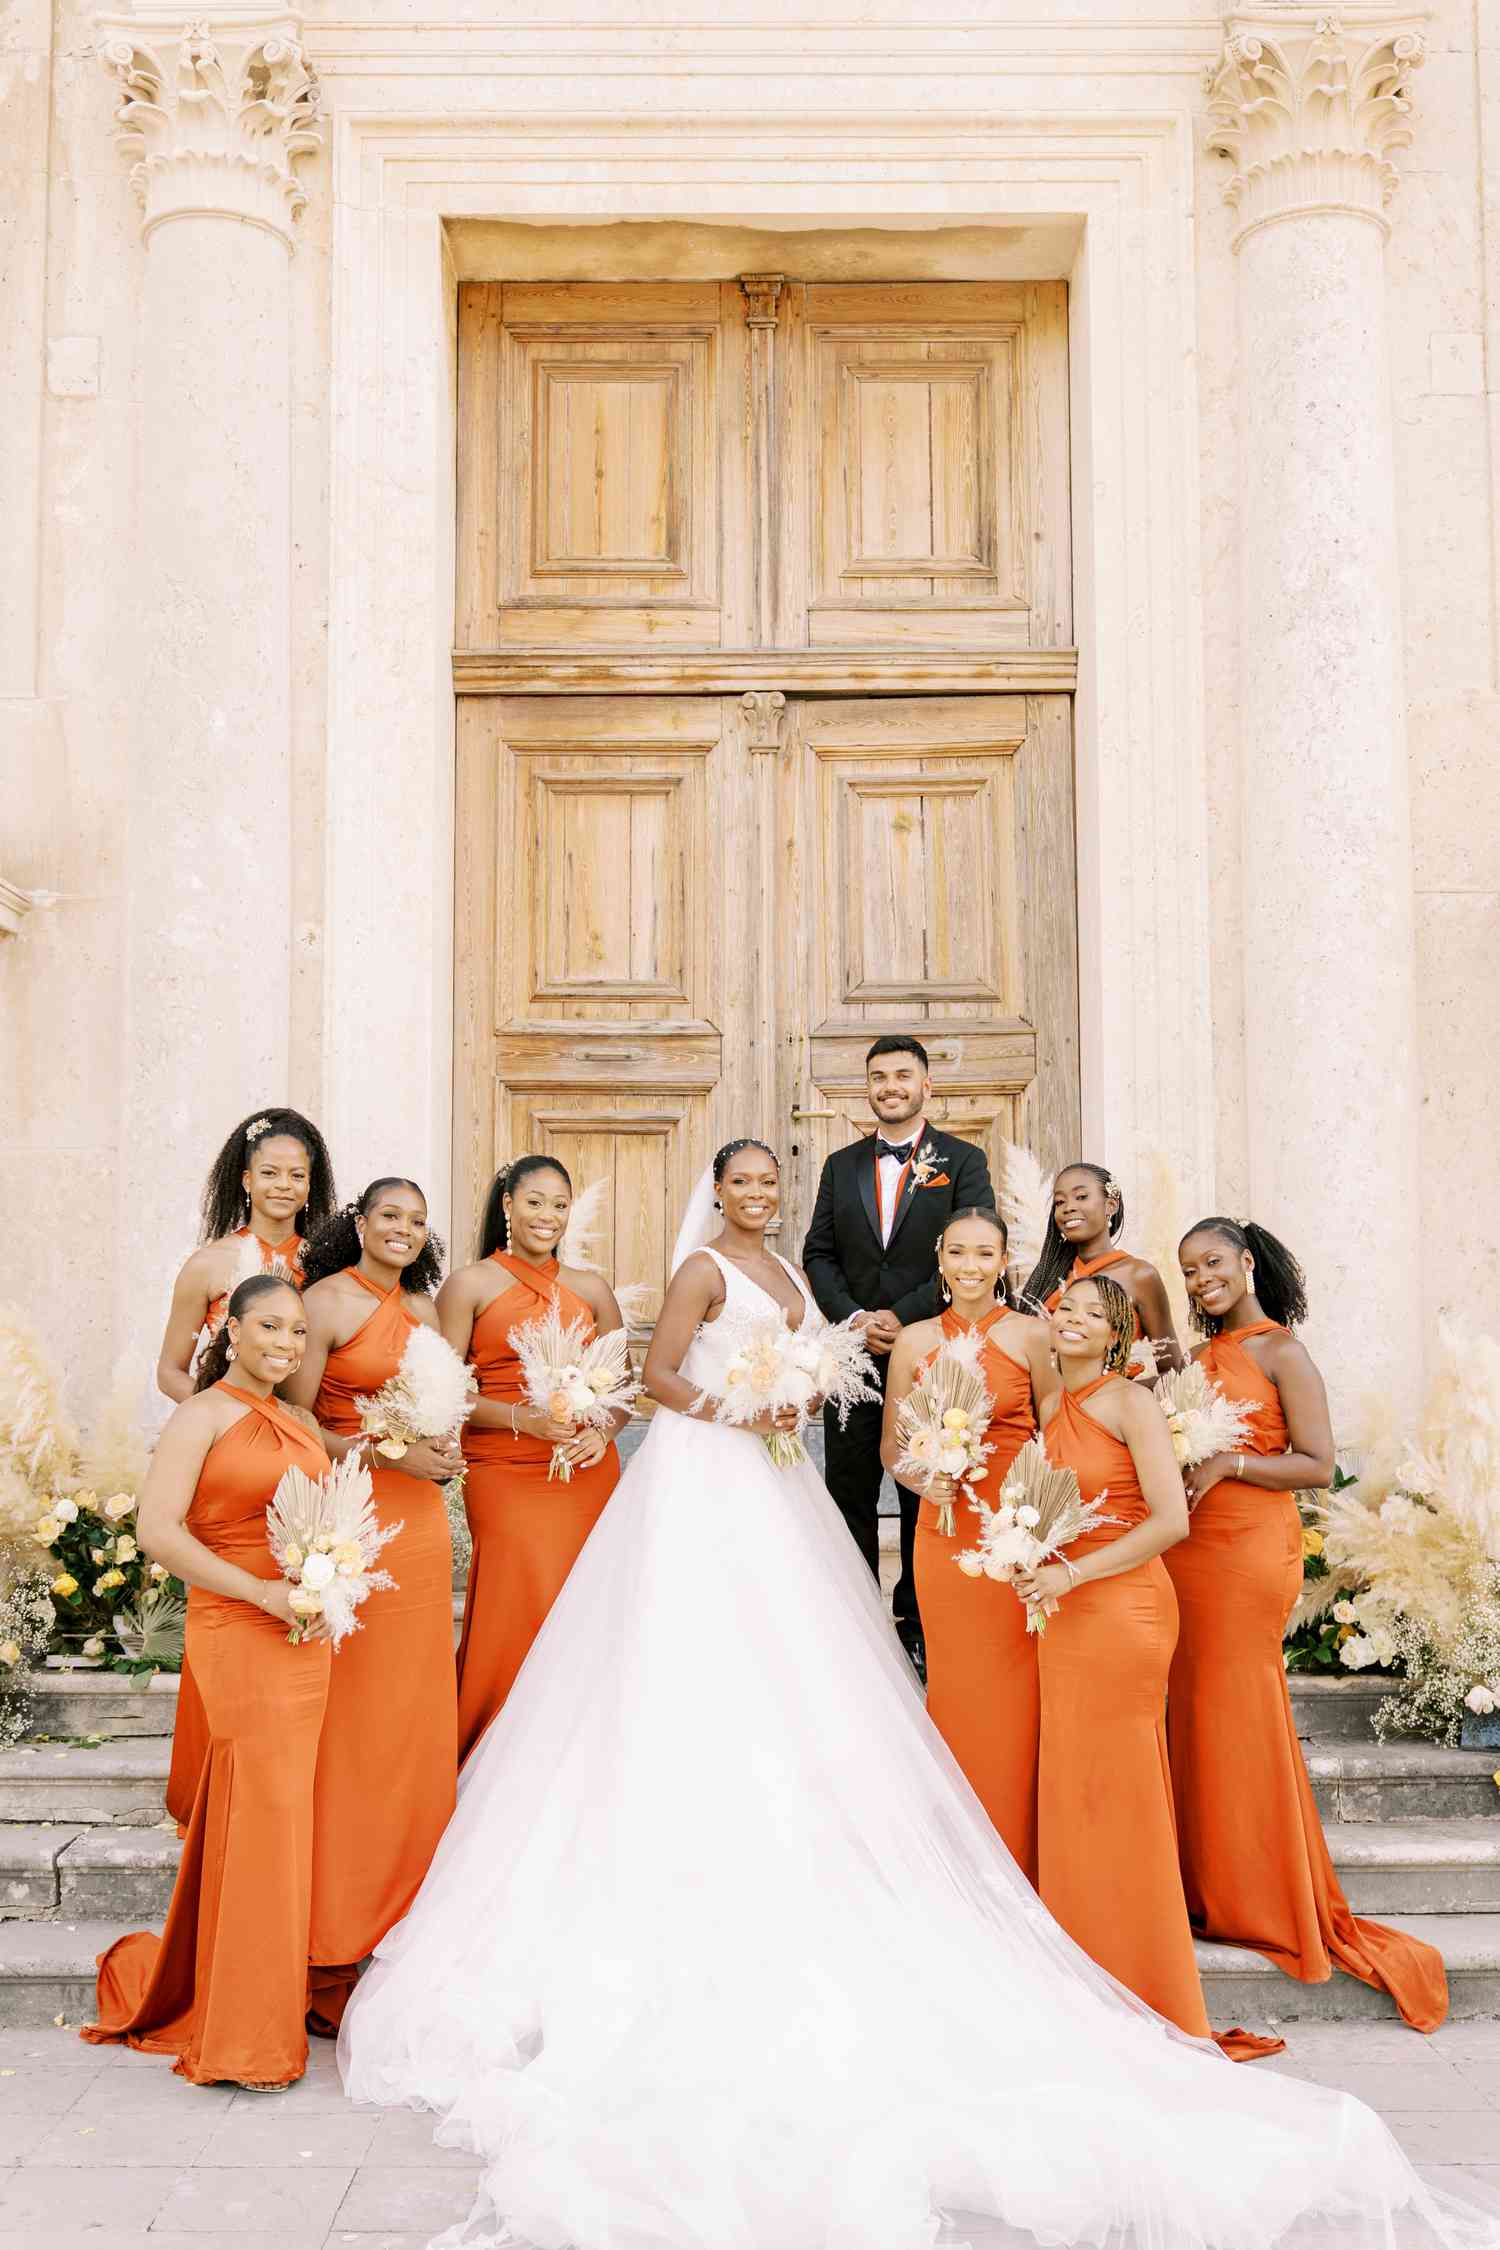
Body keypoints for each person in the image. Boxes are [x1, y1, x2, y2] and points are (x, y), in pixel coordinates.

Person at [337, 1156, 1496, 2250]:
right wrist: (747, 1410)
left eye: (768, 1181)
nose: (756, 1192)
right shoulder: (703, 1270)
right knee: (687, 1646)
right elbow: (664, 1375)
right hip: (708, 1476)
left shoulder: (806, 1278)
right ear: (718, 1192)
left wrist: (800, 1396)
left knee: (810, 1654)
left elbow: (1059, 1428)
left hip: (804, 1484)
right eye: (741, 1181)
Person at [1167, 1216, 1448, 2031]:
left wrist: (1230, 1462)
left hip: (1250, 1552)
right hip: (1189, 1550)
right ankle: (1203, 1884)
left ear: (1246, 1262)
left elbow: (1318, 1464)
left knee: (1238, 1708)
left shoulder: (1281, 1351)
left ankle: (1259, 1893)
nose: (1199, 1279)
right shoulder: (1194, 1358)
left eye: (1212, 1262)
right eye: (1187, 1270)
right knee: (1191, 1713)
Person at [1015, 1273, 1275, 2059]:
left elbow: (1169, 1521)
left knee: (1119, 1789)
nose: (1072, 1319)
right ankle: (1083, 1967)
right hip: (1061, 1615)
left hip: (1122, 1611)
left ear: (1119, 1335)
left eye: (1093, 1313)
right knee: (1076, 1788)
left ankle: (1145, 1980)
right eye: (1064, 1308)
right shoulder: (1053, 1402)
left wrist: (1071, 1574)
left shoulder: (1132, 1403)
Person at [83, 1276, 333, 2089]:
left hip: (301, 1635)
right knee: (263, 1811)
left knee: (282, 1818)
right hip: (236, 1625)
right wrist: (259, 1590)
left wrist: (329, 1589)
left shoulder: (299, 1420)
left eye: (297, 1332)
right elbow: (158, 1531)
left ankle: (256, 2006)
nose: (286, 1345)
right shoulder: (201, 1415)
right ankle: (245, 2038)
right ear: (231, 1325)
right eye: (270, 1326)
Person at [284, 1179, 462, 2030]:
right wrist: (384, 1455)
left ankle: (407, 1933)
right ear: (358, 1223)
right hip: (354, 1518)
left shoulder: (426, 1313)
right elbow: (291, 1416)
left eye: (417, 1221)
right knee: (358, 1726)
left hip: (422, 1525)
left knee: (415, 1721)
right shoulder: (321, 1302)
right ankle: (332, 1941)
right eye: (389, 1216)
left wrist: (439, 1447)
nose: (403, 1230)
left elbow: (439, 1410)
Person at [154, 1107, 337, 1831]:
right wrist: (219, 1418)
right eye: (271, 1173)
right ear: (245, 1178)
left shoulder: (322, 1265)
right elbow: (170, 1367)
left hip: (301, 1470)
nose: (284, 1186)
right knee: (229, 1621)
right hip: (229, 1463)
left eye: (298, 1175)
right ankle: (211, 1795)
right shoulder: (209, 1265)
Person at [803, 1036, 994, 1665]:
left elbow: (971, 1248)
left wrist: (903, 1316)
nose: (890, 1086)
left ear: (926, 1086)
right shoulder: (842, 1166)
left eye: (903, 1076)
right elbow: (818, 1254)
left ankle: (917, 1619)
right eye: (879, 1077)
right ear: (869, 1088)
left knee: (923, 1483)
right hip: (854, 1354)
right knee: (849, 1484)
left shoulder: (963, 1161)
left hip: (934, 1350)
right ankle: (854, 1616)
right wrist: (857, 1317)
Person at [880, 1206, 1050, 1877]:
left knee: (1014, 1685)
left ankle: (1015, 1838)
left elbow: (1058, 1432)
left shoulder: (1034, 1336)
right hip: (942, 1529)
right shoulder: (915, 1341)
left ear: (1004, 1260)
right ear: (941, 1260)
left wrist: (1035, 1513)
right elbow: (895, 1445)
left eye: (986, 1254)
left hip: (1015, 1528)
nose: (972, 1267)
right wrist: (925, 1477)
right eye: (959, 1253)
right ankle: (955, 1853)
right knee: (953, 1681)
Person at [439, 1156, 627, 1761]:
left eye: (559, 1204)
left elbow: (624, 1385)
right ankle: (497, 1744)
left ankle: (580, 1744)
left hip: (584, 1469)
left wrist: (604, 1432)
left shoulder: (592, 1288)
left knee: (586, 1599)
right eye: (536, 1202)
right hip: (503, 1469)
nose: (547, 1216)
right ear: (507, 1206)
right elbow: (442, 1393)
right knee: (517, 1598)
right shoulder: (469, 1285)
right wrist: (523, 1418)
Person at [1024, 1160, 1182, 1373]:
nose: (1068, 1207)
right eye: (1060, 1202)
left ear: (1111, 1205)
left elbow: (1173, 1372)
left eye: (1081, 1197)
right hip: (1048, 1404)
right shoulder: (1049, 1277)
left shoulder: (1139, 1276)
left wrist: (1118, 1394)